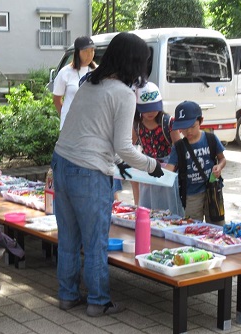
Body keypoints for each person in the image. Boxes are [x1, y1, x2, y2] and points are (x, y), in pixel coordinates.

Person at [51, 32, 164, 317]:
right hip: (89, 173)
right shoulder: (124, 93)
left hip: (62, 163)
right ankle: (98, 302)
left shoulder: (90, 83)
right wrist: (152, 165)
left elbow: (93, 132)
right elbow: (124, 146)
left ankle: (67, 296)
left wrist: (116, 160)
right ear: (135, 62)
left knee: (68, 237)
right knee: (95, 241)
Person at [166, 101, 227, 225]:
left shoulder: (211, 139)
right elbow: (169, 169)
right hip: (191, 195)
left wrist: (219, 167)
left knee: (217, 227)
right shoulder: (178, 147)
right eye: (183, 128)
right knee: (192, 227)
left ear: (201, 121)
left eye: (192, 126)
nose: (188, 131)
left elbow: (222, 159)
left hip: (213, 191)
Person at [132, 82, 184, 216]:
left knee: (170, 208)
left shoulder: (167, 122)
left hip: (168, 170)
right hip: (148, 169)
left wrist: (170, 167)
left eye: (153, 108)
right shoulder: (137, 125)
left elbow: (178, 147)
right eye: (146, 109)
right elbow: (130, 146)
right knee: (148, 209)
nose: (150, 113)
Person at [53, 36, 97, 131]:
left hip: (92, 126)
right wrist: (66, 116)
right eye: (85, 51)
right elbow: (57, 99)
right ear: (77, 53)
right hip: (70, 127)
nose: (89, 55)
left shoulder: (98, 71)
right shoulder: (65, 72)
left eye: (92, 51)